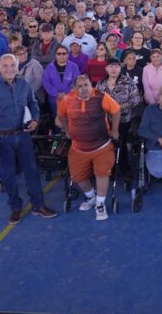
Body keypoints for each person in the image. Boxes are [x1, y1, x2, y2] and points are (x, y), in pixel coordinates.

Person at [0, 53, 58, 223]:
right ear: (0, 68)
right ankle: (15, 207)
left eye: (12, 65)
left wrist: (36, 119)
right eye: (5, 66)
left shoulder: (24, 84)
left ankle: (38, 205)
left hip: (22, 136)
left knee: (31, 171)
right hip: (1, 139)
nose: (9, 69)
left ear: (17, 67)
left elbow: (33, 103)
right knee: (8, 174)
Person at [56, 75, 121, 221]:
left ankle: (100, 204)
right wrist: (67, 131)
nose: (84, 88)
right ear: (74, 89)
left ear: (91, 86)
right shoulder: (67, 99)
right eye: (80, 86)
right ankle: (91, 197)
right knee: (78, 176)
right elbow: (61, 116)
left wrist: (115, 131)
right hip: (78, 147)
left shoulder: (101, 96)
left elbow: (116, 111)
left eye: (86, 85)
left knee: (102, 173)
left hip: (102, 146)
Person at [96, 58, 142, 182]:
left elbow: (136, 99)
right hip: (104, 121)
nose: (113, 69)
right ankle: (108, 169)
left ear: (120, 68)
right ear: (106, 68)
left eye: (116, 66)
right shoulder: (100, 84)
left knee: (120, 145)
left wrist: (119, 107)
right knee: (106, 146)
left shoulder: (128, 82)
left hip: (123, 119)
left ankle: (124, 169)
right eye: (111, 66)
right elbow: (95, 101)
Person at [43, 46, 80, 116]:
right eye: (59, 53)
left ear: (68, 54)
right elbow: (46, 83)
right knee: (57, 121)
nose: (61, 55)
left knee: (71, 120)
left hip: (70, 98)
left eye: (64, 53)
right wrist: (57, 94)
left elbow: (76, 82)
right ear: (55, 55)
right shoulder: (49, 68)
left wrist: (66, 93)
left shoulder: (74, 67)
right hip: (54, 100)